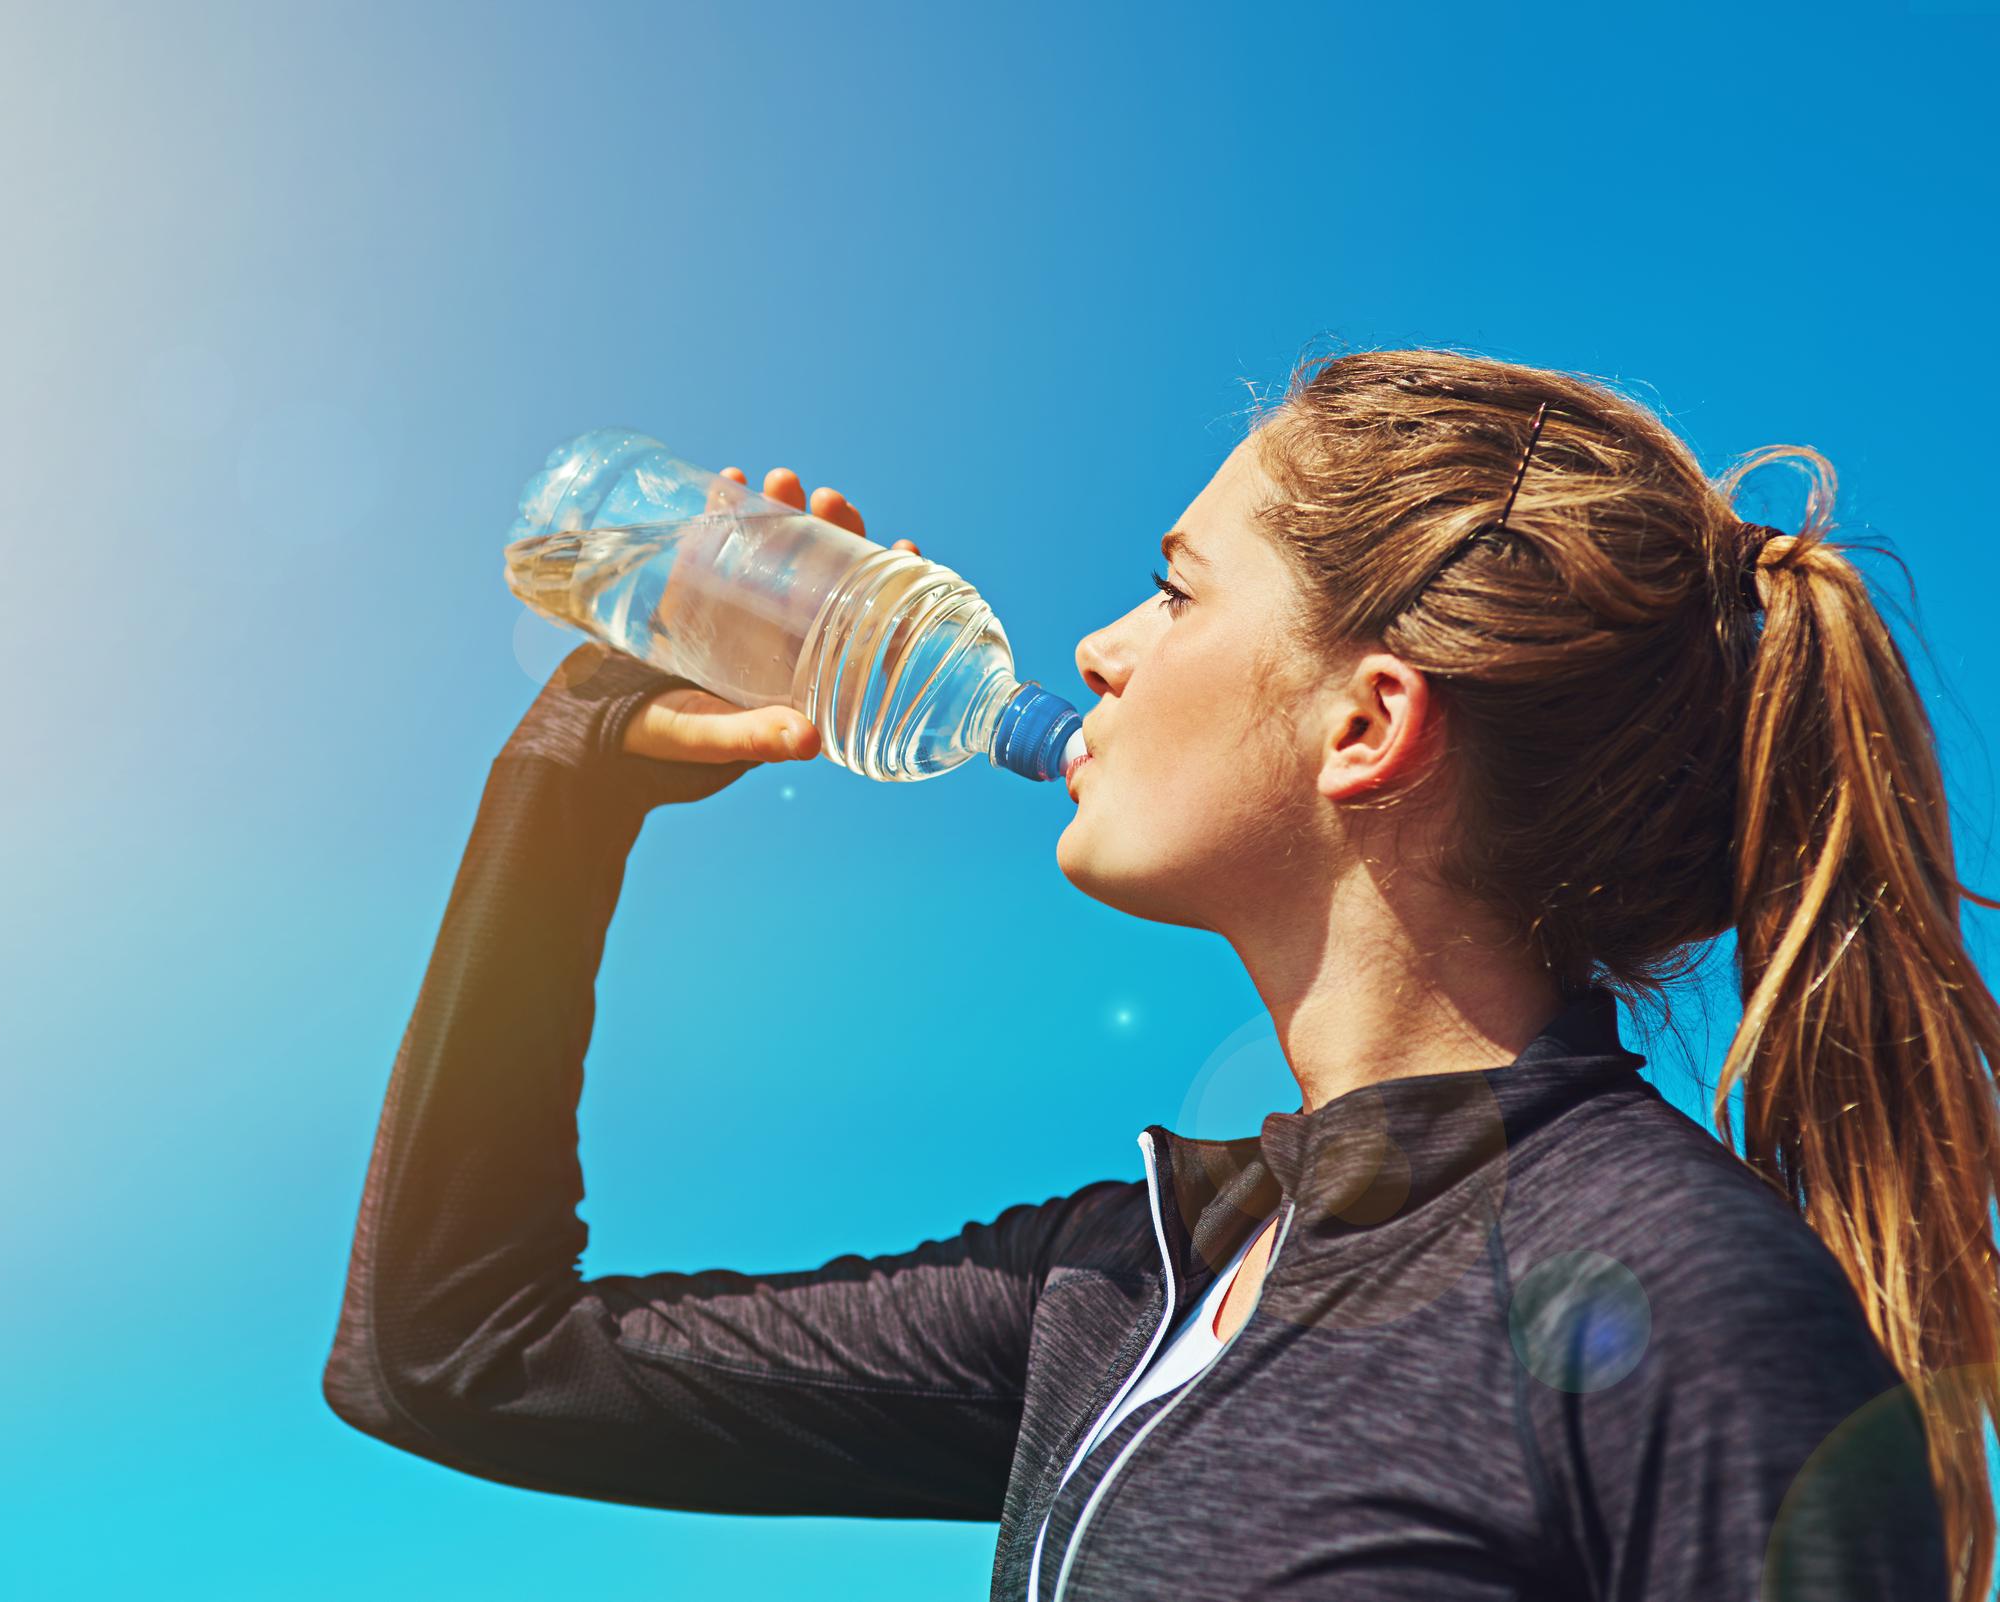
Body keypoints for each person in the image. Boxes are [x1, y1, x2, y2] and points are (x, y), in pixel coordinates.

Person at [319, 348, 1999, 1600]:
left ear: (1368, 721)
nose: (1101, 651)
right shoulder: (1116, 1288)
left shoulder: (1688, 1295)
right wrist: (571, 780)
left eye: (1175, 588)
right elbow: (454, 1357)